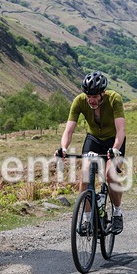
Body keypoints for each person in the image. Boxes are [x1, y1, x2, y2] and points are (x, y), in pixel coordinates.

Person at [56, 71, 126, 234]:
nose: (91, 100)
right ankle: (87, 219)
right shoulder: (79, 101)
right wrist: (64, 148)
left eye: (94, 96)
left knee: (110, 175)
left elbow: (121, 130)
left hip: (114, 140)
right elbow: (69, 130)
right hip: (93, 139)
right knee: (85, 175)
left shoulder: (114, 99)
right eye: (89, 96)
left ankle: (117, 213)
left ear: (103, 93)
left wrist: (115, 149)